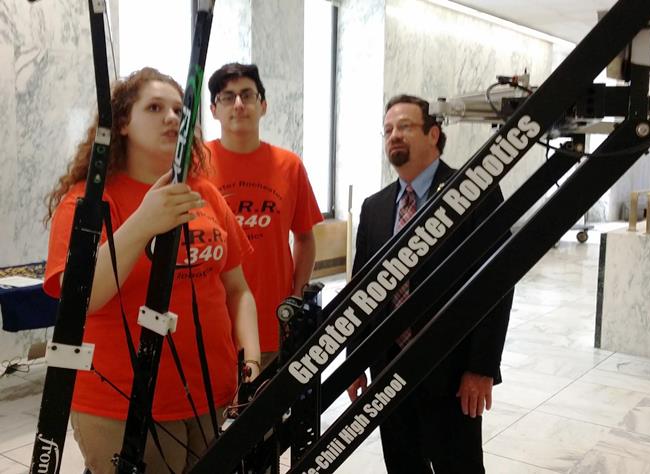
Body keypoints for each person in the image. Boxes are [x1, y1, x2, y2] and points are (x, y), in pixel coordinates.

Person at [43, 67, 260, 474]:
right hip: (122, 402)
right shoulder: (86, 203)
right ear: (122, 122)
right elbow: (82, 299)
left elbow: (237, 288)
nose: (172, 118)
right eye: (155, 107)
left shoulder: (204, 192)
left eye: (179, 110)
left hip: (211, 393)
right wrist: (143, 222)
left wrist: (251, 360)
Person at [347, 94, 513, 473]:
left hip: (452, 372)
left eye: (405, 126)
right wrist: (355, 361)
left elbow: (496, 284)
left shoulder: (473, 193)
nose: (394, 136)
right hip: (388, 370)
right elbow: (361, 293)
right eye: (387, 130)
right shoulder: (375, 208)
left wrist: (482, 367)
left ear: (434, 134)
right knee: (404, 465)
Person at [205, 63, 323, 364]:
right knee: (220, 411)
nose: (239, 104)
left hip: (272, 323)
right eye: (228, 97)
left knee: (265, 409)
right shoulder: (197, 165)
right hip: (211, 324)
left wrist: (296, 296)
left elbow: (305, 238)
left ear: (264, 105)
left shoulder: (289, 166)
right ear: (213, 109)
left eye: (247, 95)